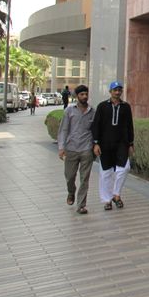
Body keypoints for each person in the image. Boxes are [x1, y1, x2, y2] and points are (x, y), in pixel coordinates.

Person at [92, 81, 135, 211]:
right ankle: (107, 200)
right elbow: (96, 125)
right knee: (106, 172)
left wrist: (131, 144)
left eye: (119, 90)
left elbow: (129, 126)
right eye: (115, 90)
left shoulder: (126, 107)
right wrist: (96, 143)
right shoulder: (102, 106)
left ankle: (116, 194)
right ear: (110, 91)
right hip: (105, 144)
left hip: (122, 143)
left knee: (125, 168)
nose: (117, 92)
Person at [57, 85, 95, 214]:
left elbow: (95, 131)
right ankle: (71, 192)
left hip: (86, 149)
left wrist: (95, 145)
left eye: (86, 94)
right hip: (71, 148)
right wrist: (61, 147)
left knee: (84, 179)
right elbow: (63, 130)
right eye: (82, 94)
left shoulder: (92, 111)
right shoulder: (69, 111)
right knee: (69, 177)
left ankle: (81, 205)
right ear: (77, 96)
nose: (84, 96)